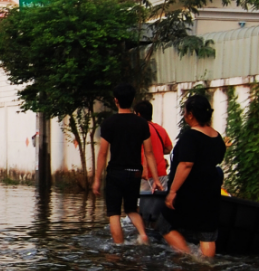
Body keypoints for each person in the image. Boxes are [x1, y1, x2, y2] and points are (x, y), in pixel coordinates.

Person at [93, 84, 164, 245]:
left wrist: (97, 179)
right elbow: (149, 153)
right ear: (133, 100)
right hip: (135, 173)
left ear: (115, 100)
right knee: (132, 209)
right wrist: (156, 179)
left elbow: (103, 153)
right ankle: (143, 235)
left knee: (114, 213)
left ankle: (119, 247)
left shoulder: (109, 123)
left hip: (115, 173)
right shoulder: (141, 124)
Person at [162, 95, 226, 258]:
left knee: (165, 225)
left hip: (190, 191)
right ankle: (206, 269)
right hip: (210, 191)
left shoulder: (190, 136)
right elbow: (217, 160)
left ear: (191, 114)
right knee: (207, 235)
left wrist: (173, 191)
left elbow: (186, 165)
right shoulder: (217, 137)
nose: (184, 116)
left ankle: (190, 257)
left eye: (184, 112)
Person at [134, 100, 173, 192]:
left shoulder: (140, 130)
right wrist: (158, 150)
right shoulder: (160, 129)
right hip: (161, 173)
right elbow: (169, 148)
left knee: (141, 203)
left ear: (138, 114)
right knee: (159, 202)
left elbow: (144, 151)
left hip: (145, 175)